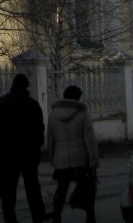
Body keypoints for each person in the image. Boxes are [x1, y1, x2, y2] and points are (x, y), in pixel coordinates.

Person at [0, 72, 47, 223]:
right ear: (26, 87)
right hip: (28, 154)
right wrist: (37, 147)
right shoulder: (32, 105)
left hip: (6, 154)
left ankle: (10, 218)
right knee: (33, 188)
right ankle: (38, 217)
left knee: (8, 191)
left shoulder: (0, 104)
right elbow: (39, 129)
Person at [47, 84, 99, 222]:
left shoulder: (53, 115)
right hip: (81, 160)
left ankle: (57, 216)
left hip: (60, 159)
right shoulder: (82, 114)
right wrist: (93, 161)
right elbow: (90, 140)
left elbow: (50, 139)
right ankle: (90, 216)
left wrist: (52, 159)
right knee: (88, 189)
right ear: (78, 97)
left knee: (61, 189)